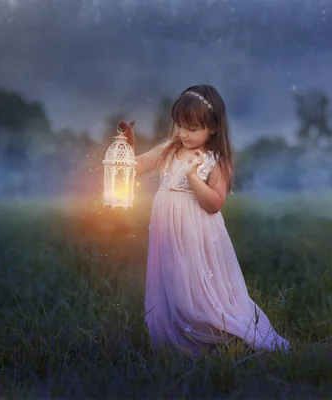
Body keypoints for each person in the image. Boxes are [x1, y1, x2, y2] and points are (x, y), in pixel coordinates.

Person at [118, 84, 290, 356]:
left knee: (195, 282)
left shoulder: (216, 160)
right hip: (167, 230)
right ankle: (177, 337)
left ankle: (216, 333)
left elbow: (214, 203)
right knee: (173, 280)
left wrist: (193, 177)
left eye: (192, 128)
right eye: (180, 125)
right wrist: (127, 146)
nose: (183, 134)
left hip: (196, 231)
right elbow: (134, 167)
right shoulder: (168, 150)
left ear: (213, 127)